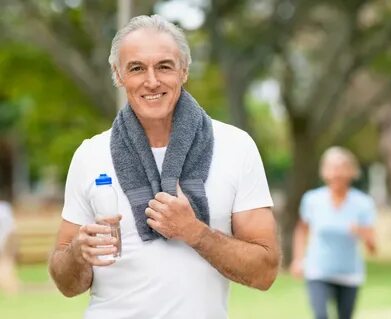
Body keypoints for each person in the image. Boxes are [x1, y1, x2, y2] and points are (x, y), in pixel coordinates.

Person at [48, 15, 280, 319]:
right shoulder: (90, 155)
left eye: (164, 66)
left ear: (184, 71)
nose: (152, 80)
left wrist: (195, 232)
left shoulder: (236, 146)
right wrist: (77, 255)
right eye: (136, 68)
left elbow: (265, 272)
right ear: (118, 75)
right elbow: (67, 284)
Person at [289, 146, 376, 319]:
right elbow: (301, 231)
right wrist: (298, 259)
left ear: (352, 172)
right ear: (324, 172)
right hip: (318, 271)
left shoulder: (363, 203)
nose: (337, 174)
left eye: (342, 168)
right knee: (321, 315)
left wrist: (360, 232)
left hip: (349, 274)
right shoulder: (312, 200)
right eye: (332, 168)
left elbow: (373, 247)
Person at [0, 199, 18, 294]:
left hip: (5, 241)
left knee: (5, 264)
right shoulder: (5, 208)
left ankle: (11, 288)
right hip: (5, 241)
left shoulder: (4, 209)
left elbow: (10, 231)